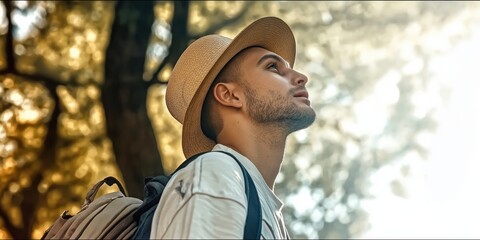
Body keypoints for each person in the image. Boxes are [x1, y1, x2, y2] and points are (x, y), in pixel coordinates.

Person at [150, 16, 316, 239]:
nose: (301, 77)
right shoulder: (216, 174)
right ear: (229, 95)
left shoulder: (268, 212)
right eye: (273, 67)